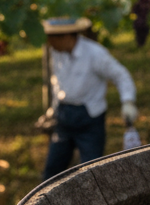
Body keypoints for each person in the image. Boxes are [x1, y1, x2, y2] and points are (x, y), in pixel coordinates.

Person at [41, 16, 137, 179]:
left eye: (52, 38)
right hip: (64, 117)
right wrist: (53, 109)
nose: (49, 42)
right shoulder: (57, 53)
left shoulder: (95, 53)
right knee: (52, 171)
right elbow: (58, 82)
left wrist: (127, 101)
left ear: (66, 37)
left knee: (91, 172)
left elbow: (121, 75)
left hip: (89, 119)